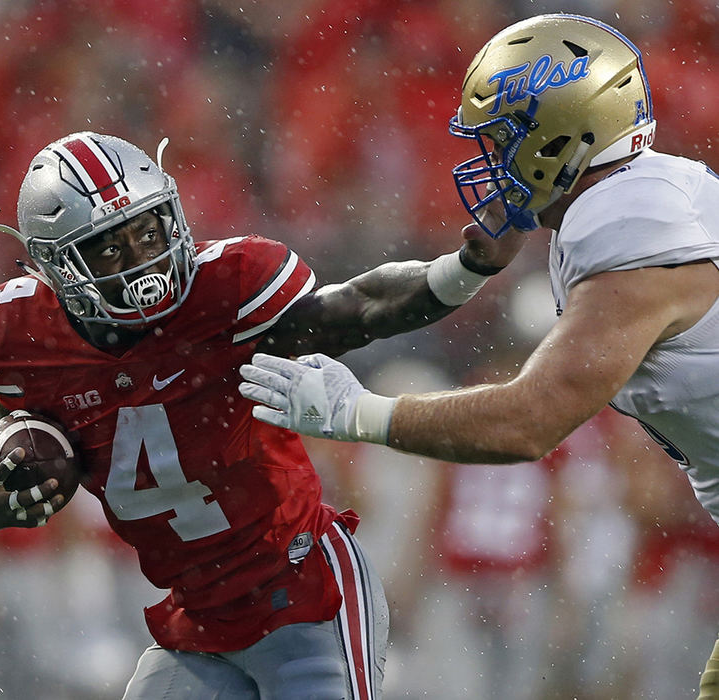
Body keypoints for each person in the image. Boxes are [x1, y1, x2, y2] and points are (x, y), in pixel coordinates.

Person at [237, 13, 719, 699]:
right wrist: (469, 268)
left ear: (562, 137)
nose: (491, 158)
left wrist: (356, 414)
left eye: (502, 138)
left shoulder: (626, 235)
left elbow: (528, 421)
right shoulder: (655, 188)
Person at [0, 130, 522, 699]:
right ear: (55, 266)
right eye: (111, 247)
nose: (143, 259)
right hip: (196, 619)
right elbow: (3, 439)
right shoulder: (20, 340)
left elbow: (359, 306)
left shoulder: (224, 291)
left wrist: (465, 268)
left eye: (147, 231)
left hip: (302, 592)